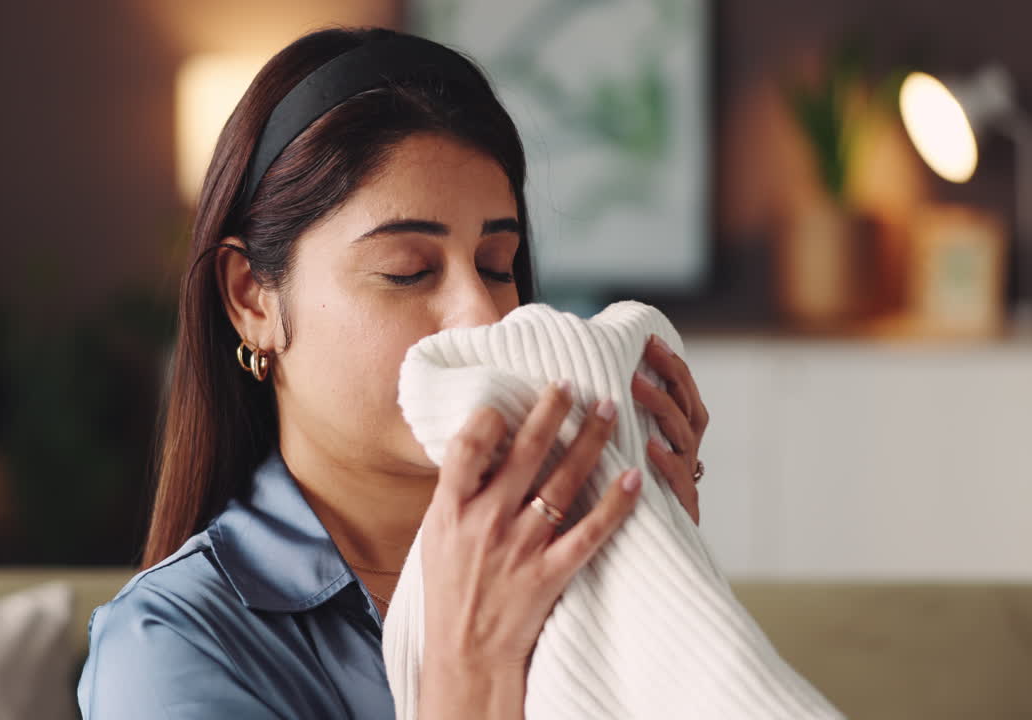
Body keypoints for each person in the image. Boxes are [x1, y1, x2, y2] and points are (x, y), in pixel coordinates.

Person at [77, 26, 710, 720]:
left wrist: (656, 573)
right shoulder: (170, 647)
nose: (482, 316)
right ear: (252, 299)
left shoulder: (572, 567)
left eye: (497, 266)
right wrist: (472, 675)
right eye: (409, 271)